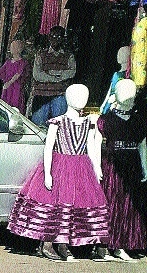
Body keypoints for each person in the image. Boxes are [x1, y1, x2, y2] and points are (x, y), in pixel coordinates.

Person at [8, 84, 108, 261]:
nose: (82, 99)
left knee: (81, 205)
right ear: (68, 98)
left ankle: (76, 243)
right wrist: (47, 173)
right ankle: (53, 243)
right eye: (77, 95)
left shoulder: (88, 124)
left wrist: (96, 167)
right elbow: (48, 149)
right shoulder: (57, 122)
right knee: (58, 203)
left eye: (85, 95)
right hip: (60, 165)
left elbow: (91, 148)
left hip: (81, 166)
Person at [97, 79, 147, 261]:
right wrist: (96, 166)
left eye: (131, 90)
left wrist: (145, 167)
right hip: (113, 164)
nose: (128, 94)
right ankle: (106, 244)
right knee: (112, 204)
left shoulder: (138, 121)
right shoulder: (105, 120)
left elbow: (142, 146)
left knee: (128, 206)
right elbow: (97, 145)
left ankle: (123, 244)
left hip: (132, 164)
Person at [31, 26, 76, 125]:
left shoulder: (69, 56)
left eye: (59, 37)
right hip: (41, 95)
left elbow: (71, 72)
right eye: (53, 36)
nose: (56, 39)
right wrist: (57, 78)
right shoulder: (41, 54)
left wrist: (51, 73)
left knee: (58, 127)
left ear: (63, 39)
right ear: (49, 38)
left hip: (59, 95)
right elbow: (37, 75)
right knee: (38, 127)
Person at [0, 40, 28, 113]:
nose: (11, 48)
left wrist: (9, 83)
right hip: (7, 89)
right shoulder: (8, 62)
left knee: (15, 109)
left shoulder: (22, 62)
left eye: (13, 46)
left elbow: (18, 74)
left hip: (16, 89)